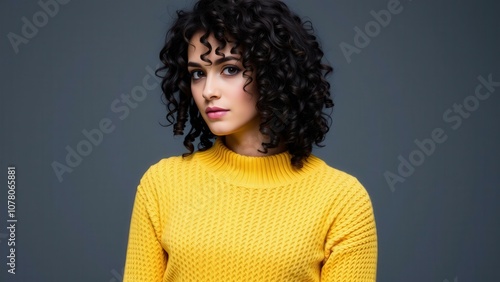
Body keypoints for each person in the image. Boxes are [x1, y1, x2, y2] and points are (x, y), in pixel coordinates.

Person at [123, 0, 377, 281]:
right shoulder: (161, 184)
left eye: (229, 69)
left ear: (273, 72)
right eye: (197, 73)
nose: (208, 91)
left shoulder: (342, 200)